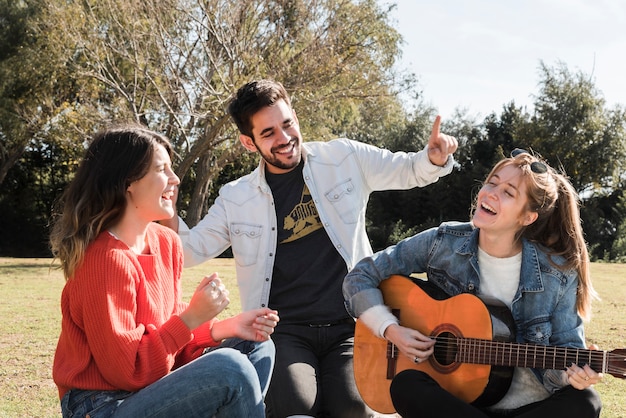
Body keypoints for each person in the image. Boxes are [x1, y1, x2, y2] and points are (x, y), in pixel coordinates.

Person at [160, 79, 458, 417]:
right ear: (248, 142)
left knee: (352, 410)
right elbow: (189, 250)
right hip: (283, 331)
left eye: (288, 124)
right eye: (268, 133)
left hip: (351, 325)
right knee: (297, 407)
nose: (285, 139)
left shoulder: (344, 157)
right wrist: (166, 208)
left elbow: (407, 170)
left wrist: (432, 159)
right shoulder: (235, 197)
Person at [343, 148, 603, 418]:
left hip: (528, 408)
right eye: (492, 182)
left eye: (508, 192)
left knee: (585, 400)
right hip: (457, 404)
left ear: (527, 217)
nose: (491, 192)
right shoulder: (442, 242)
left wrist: (573, 375)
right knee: (406, 385)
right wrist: (391, 329)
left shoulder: (556, 273)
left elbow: (567, 350)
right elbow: (360, 276)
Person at [49, 125, 280, 418]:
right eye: (161, 170)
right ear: (127, 182)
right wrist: (192, 317)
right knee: (230, 370)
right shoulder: (105, 260)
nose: (175, 179)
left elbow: (165, 332)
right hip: (102, 406)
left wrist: (224, 327)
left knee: (255, 348)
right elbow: (130, 371)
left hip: (149, 390)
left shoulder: (166, 242)